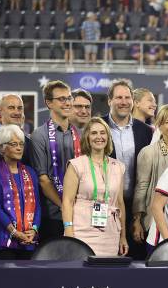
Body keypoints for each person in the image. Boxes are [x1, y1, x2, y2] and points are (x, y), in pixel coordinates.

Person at [62, 117, 128, 256]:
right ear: (87, 137)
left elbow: (120, 203)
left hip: (110, 233)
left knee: (106, 274)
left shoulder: (118, 167)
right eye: (94, 133)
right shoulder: (76, 165)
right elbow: (67, 201)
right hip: (81, 231)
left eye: (103, 133)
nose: (99, 137)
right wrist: (68, 230)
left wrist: (123, 236)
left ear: (108, 137)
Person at [103, 79, 152, 259]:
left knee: (136, 258)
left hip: (135, 206)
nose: (123, 102)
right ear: (109, 101)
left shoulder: (146, 131)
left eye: (127, 97)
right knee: (107, 257)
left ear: (133, 100)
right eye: (118, 97)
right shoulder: (99, 127)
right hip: (106, 203)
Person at [30, 80, 82, 242]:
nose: (67, 103)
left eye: (69, 98)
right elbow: (43, 180)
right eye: (61, 99)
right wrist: (64, 206)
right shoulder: (39, 135)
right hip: (53, 214)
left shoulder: (80, 134)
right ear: (49, 103)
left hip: (81, 213)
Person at [132, 105, 168, 247]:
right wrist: (137, 220)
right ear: (159, 126)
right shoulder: (149, 152)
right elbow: (141, 187)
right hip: (156, 221)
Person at [0, 125, 40, 259]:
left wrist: (34, 229)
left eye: (21, 144)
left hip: (29, 240)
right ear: (2, 148)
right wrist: (13, 231)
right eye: (14, 144)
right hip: (5, 240)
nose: (19, 148)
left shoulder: (31, 172)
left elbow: (38, 206)